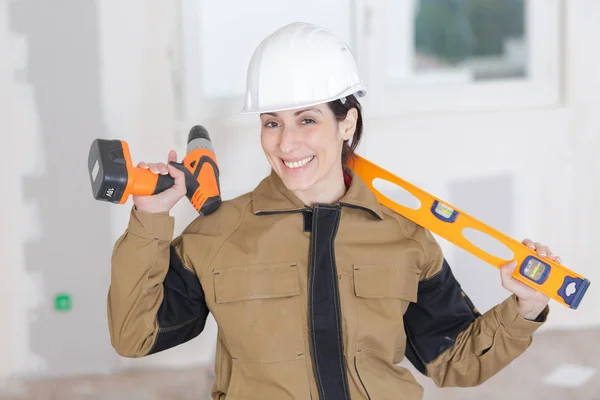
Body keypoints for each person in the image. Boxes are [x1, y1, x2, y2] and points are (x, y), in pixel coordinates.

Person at [107, 22, 554, 399]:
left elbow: (455, 362)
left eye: (307, 119)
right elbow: (133, 336)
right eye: (271, 123)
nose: (286, 143)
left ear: (347, 123)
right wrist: (150, 217)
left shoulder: (404, 236)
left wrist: (525, 307)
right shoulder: (216, 234)